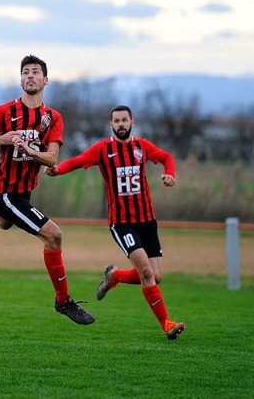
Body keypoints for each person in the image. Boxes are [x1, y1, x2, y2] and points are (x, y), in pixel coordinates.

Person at [0, 55, 94, 326]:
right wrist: (5, 139)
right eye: (25, 72)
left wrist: (28, 149)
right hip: (6, 192)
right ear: (20, 79)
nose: (30, 76)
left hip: (23, 194)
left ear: (45, 80)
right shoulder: (4, 112)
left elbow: (51, 159)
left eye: (36, 72)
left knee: (3, 222)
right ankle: (63, 301)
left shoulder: (53, 118)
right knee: (54, 236)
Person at [44, 105, 185, 340]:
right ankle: (167, 324)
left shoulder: (142, 147)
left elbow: (166, 157)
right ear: (111, 124)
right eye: (116, 121)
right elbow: (78, 161)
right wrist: (57, 170)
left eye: (124, 120)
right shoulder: (103, 149)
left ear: (132, 122)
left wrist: (170, 174)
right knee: (147, 273)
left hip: (148, 220)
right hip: (122, 223)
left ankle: (116, 276)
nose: (121, 124)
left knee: (155, 276)